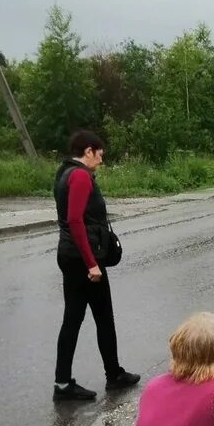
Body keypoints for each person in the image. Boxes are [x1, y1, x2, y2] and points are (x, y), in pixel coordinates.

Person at [53, 130, 140, 402]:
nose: (101, 160)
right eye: (100, 154)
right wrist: (92, 263)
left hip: (70, 255)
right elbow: (75, 220)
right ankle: (113, 375)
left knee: (73, 319)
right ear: (88, 151)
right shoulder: (79, 175)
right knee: (103, 317)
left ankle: (63, 383)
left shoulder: (63, 172)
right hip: (83, 259)